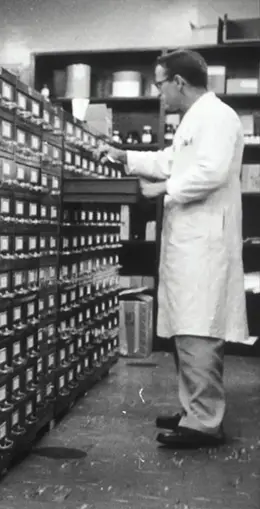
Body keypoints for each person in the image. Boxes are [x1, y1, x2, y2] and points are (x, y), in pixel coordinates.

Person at [96, 49, 248, 448]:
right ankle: (195, 408)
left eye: (161, 83)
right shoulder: (194, 120)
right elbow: (171, 160)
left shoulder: (217, 117)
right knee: (187, 329)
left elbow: (209, 171)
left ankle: (204, 421)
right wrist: (124, 156)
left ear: (179, 82)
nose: (159, 92)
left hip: (205, 243)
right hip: (190, 241)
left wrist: (165, 188)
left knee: (198, 329)